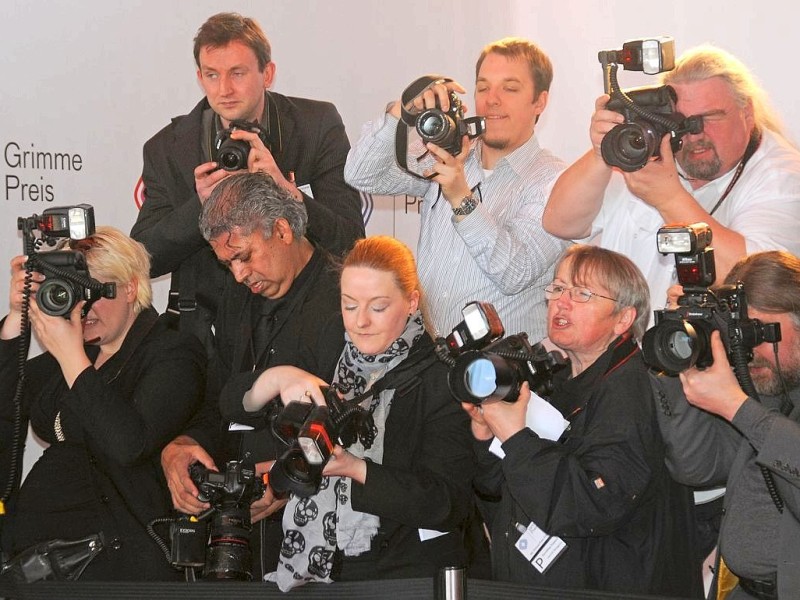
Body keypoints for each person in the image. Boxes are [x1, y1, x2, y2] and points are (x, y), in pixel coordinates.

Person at [221, 236, 475, 590]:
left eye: (378, 307)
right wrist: (283, 377)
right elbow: (232, 402)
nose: (361, 322)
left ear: (411, 301)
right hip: (317, 573)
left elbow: (447, 503)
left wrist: (355, 469)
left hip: (405, 577)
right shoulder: (329, 352)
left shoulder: (440, 378)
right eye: (349, 305)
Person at [463, 245, 700, 596]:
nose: (562, 302)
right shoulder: (553, 380)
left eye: (582, 293)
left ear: (623, 320)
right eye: (557, 289)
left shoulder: (634, 386)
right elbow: (500, 494)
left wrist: (514, 436)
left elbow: (594, 503)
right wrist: (487, 438)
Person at [131, 12, 364, 352]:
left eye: (237, 73)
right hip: (209, 333)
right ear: (199, 77)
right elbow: (143, 259)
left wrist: (287, 191)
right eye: (212, 75)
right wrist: (201, 205)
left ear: (267, 73)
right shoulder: (168, 148)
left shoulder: (316, 126)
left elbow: (350, 241)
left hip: (306, 318)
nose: (224, 89)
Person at [159, 172, 345, 579]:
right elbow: (217, 402)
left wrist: (287, 480)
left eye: (243, 256)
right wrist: (182, 444)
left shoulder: (347, 300)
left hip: (324, 537)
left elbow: (359, 422)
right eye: (228, 265)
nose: (239, 275)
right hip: (242, 533)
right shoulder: (237, 299)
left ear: (281, 230)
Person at [0, 227, 206, 580]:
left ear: (130, 287)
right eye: (75, 290)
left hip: (117, 568)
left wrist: (71, 358)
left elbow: (129, 443)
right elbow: (6, 403)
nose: (85, 306)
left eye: (95, 291)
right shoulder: (78, 352)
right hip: (40, 565)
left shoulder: (172, 351)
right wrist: (15, 323)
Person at [543, 44, 800, 312]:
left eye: (710, 117)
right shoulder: (655, 149)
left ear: (747, 111)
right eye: (682, 121)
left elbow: (757, 286)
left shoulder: (783, 177)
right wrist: (602, 153)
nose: (696, 133)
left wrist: (669, 198)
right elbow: (560, 222)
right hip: (632, 345)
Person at [344, 37, 567, 342]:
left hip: (501, 372)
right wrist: (401, 111)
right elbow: (362, 175)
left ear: (540, 101)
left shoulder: (554, 180)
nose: (492, 100)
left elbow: (515, 271)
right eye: (483, 87)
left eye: (510, 88)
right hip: (432, 362)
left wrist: (461, 197)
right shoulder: (449, 153)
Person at [652, 250, 800, 600]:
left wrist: (737, 406)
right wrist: (687, 358)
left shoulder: (751, 402)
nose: (747, 348)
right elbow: (698, 466)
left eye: (759, 330)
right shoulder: (767, 389)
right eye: (739, 331)